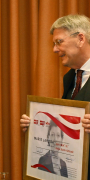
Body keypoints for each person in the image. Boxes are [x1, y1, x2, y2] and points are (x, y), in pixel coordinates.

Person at [20, 14, 90, 177]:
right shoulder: (70, 78)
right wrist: (36, 125)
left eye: (59, 42)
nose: (54, 50)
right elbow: (68, 123)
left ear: (80, 39)